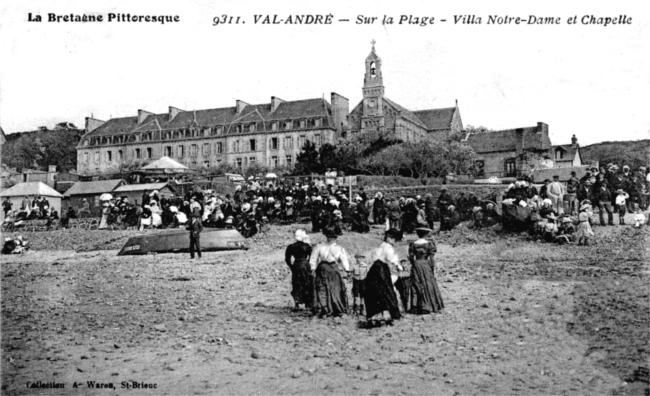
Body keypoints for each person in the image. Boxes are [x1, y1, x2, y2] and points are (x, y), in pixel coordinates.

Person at [364, 229, 404, 327]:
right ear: (390, 238)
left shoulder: (380, 246)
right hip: (382, 270)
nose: (394, 241)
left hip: (373, 270)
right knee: (387, 291)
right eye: (394, 239)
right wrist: (399, 267)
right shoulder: (388, 248)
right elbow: (392, 259)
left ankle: (375, 316)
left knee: (374, 292)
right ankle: (390, 315)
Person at [309, 226, 350, 318]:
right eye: (329, 236)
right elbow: (313, 258)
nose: (330, 238)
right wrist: (313, 269)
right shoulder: (319, 246)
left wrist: (347, 270)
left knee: (335, 289)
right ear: (326, 236)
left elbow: (344, 260)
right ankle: (325, 310)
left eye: (333, 236)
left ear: (336, 237)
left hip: (333, 269)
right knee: (322, 289)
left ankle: (337, 310)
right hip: (322, 269)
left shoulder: (339, 248)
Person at [408, 228, 444, 315]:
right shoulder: (429, 244)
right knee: (427, 283)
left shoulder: (413, 244)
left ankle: (415, 306)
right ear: (425, 234)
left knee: (416, 284)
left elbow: (411, 257)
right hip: (425, 264)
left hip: (416, 264)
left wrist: (414, 265)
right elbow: (431, 258)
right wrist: (432, 267)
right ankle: (427, 305)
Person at [284, 230, 313, 311]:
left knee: (296, 283)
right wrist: (309, 264)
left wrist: (291, 266)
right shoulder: (307, 246)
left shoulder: (291, 246)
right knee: (307, 283)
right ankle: (308, 303)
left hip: (296, 265)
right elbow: (312, 257)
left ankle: (297, 303)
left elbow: (287, 259)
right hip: (305, 265)